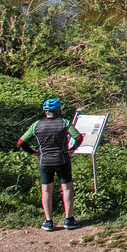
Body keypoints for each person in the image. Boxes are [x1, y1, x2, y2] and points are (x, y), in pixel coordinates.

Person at [17, 97, 83, 231]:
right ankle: (69, 219)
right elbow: (79, 137)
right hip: (62, 159)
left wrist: (33, 152)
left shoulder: (36, 125)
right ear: (58, 111)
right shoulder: (64, 123)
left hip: (44, 161)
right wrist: (72, 149)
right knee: (67, 188)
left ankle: (48, 221)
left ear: (45, 112)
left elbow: (20, 142)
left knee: (46, 190)